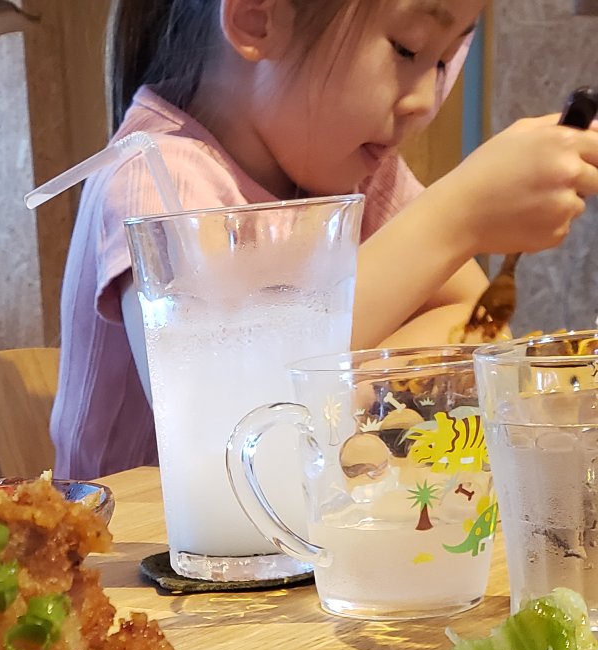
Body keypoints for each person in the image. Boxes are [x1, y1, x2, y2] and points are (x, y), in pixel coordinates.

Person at [52, 0, 598, 479]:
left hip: (300, 549)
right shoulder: (159, 179)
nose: (424, 102)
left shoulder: (351, 175)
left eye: (442, 62)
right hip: (139, 569)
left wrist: (323, 383)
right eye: (408, 50)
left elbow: (477, 337)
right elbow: (230, 421)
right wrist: (455, 216)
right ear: (256, 18)